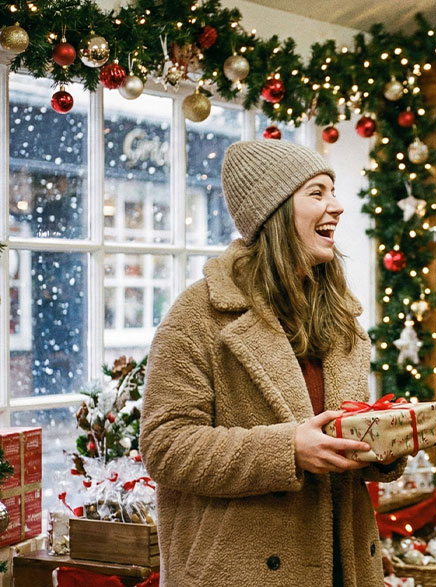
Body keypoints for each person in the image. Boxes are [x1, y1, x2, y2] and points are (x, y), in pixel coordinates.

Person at [140, 140, 404, 586]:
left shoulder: (338, 313)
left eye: (333, 191)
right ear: (275, 212)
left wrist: (375, 443)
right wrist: (288, 450)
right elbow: (165, 446)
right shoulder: (199, 314)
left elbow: (332, 425)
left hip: (345, 569)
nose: (337, 206)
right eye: (317, 193)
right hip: (240, 571)